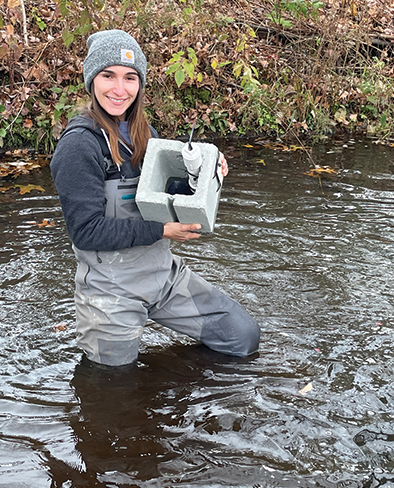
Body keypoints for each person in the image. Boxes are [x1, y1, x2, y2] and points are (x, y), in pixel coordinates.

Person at [50, 29, 261, 367]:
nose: (120, 89)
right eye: (108, 76)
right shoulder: (78, 146)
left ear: (140, 84)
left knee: (243, 337)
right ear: (91, 80)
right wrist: (162, 231)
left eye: (130, 78)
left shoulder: (144, 136)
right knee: (114, 392)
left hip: (163, 276)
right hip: (110, 292)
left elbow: (168, 192)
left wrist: (207, 171)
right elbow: (86, 231)